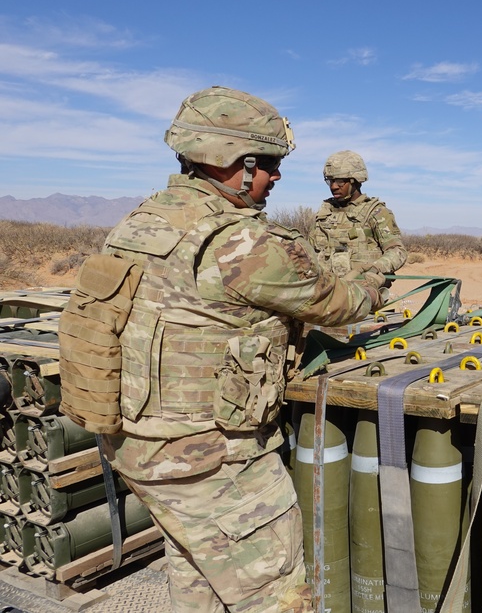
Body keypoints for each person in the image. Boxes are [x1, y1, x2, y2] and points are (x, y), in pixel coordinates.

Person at [93, 86, 383, 612]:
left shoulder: (140, 222)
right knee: (278, 597)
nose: (277, 177)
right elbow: (340, 303)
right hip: (213, 459)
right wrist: (374, 284)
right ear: (235, 163)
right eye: (269, 163)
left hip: (137, 446)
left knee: (197, 577)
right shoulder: (240, 243)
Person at [308, 151, 407, 290]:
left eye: (340, 181)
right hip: (327, 294)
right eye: (330, 181)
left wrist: (374, 269)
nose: (333, 186)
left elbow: (398, 251)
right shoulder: (324, 213)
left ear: (355, 180)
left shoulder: (375, 212)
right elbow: (310, 252)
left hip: (365, 295)